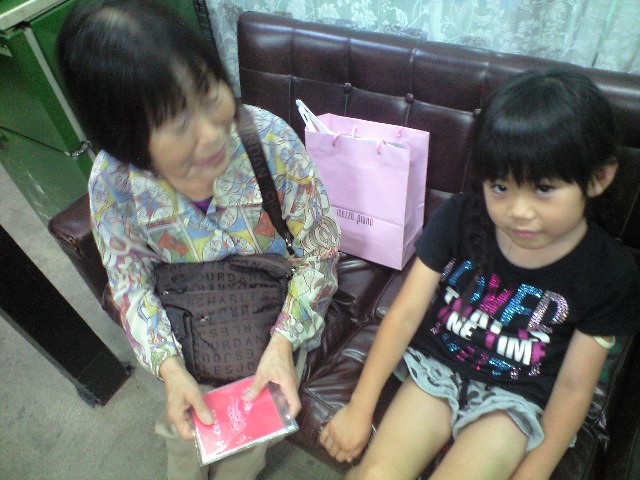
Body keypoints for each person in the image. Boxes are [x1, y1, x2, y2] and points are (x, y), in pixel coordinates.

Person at [56, 1, 340, 478]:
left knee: (251, 434)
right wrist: (170, 369)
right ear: (125, 136)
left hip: (273, 311)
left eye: (209, 94)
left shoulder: (268, 140)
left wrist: (283, 342)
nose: (212, 135)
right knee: (184, 437)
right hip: (186, 320)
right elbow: (130, 285)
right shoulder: (114, 181)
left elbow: (320, 251)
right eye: (177, 122)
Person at [319, 70, 640, 479]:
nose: (518, 211)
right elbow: (404, 313)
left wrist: (532, 474)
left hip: (515, 397)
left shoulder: (610, 274)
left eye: (543, 188)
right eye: (501, 187)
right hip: (437, 367)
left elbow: (575, 388)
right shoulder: (459, 216)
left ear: (598, 178)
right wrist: (359, 408)